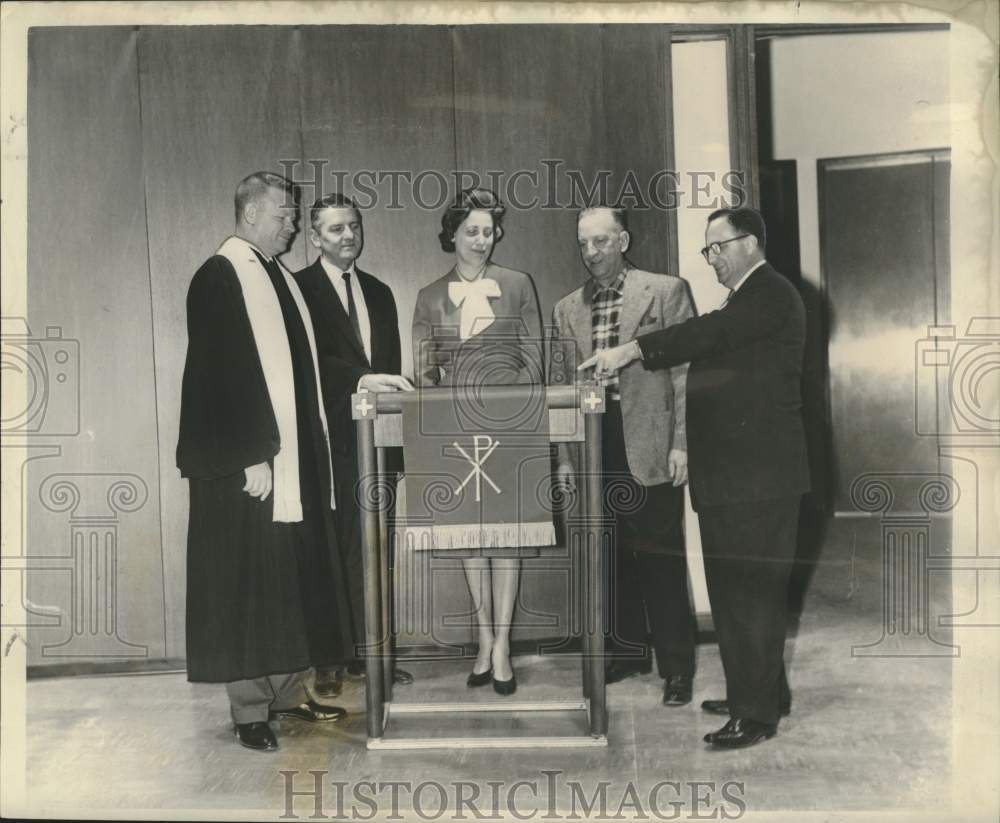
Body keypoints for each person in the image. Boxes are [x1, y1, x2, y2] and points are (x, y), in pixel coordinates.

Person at [579, 207, 809, 749]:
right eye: (708, 251)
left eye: (718, 248)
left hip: (756, 479)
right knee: (738, 592)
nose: (712, 260)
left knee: (749, 594)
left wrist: (633, 348)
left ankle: (755, 716)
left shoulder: (768, 293)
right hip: (741, 477)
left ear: (749, 243)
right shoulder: (751, 296)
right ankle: (760, 692)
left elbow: (708, 333)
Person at [177, 172, 351, 752]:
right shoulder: (220, 275)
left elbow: (305, 366)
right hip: (252, 465)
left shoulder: (281, 278)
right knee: (250, 582)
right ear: (251, 214)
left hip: (297, 460)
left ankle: (290, 694)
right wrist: (250, 453)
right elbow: (216, 374)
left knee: (294, 576)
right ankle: (250, 708)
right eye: (284, 215)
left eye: (293, 215)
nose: (293, 224)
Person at [553, 206, 697, 707]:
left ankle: (677, 666)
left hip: (651, 440)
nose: (592, 252)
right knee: (610, 552)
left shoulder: (665, 290)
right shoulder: (566, 308)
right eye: (583, 243)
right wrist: (567, 459)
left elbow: (686, 373)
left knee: (660, 556)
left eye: (601, 241)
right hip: (596, 441)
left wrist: (683, 443)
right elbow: (564, 390)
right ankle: (629, 652)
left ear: (623, 240)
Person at [411, 187, 544, 696]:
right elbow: (424, 370)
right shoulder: (428, 296)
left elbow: (534, 354)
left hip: (513, 420)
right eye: (472, 231)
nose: (482, 240)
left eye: (489, 231)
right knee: (471, 536)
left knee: (508, 535)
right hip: (457, 423)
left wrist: (511, 400)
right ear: (451, 235)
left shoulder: (517, 284)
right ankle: (484, 640)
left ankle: (505, 645)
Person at [294, 193, 415, 697]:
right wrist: (361, 379)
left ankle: (372, 656)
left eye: (355, 226)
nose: (349, 236)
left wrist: (399, 449)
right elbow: (307, 362)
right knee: (327, 552)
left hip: (377, 448)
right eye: (337, 229)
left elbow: (392, 374)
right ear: (315, 236)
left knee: (375, 550)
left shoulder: (380, 292)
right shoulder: (297, 290)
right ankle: (328, 661)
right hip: (325, 446)